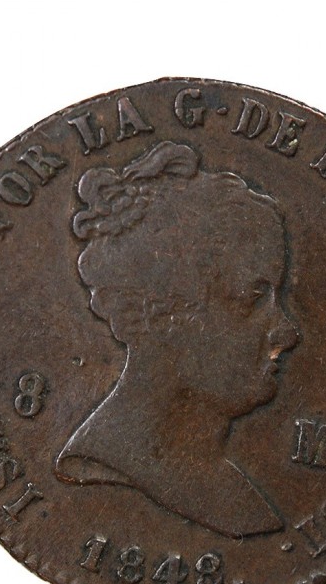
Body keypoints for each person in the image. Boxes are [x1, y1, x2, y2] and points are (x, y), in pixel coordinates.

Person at [56, 140, 300, 536]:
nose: (287, 332)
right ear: (164, 313)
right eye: (252, 298)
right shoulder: (103, 468)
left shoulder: (227, 490)